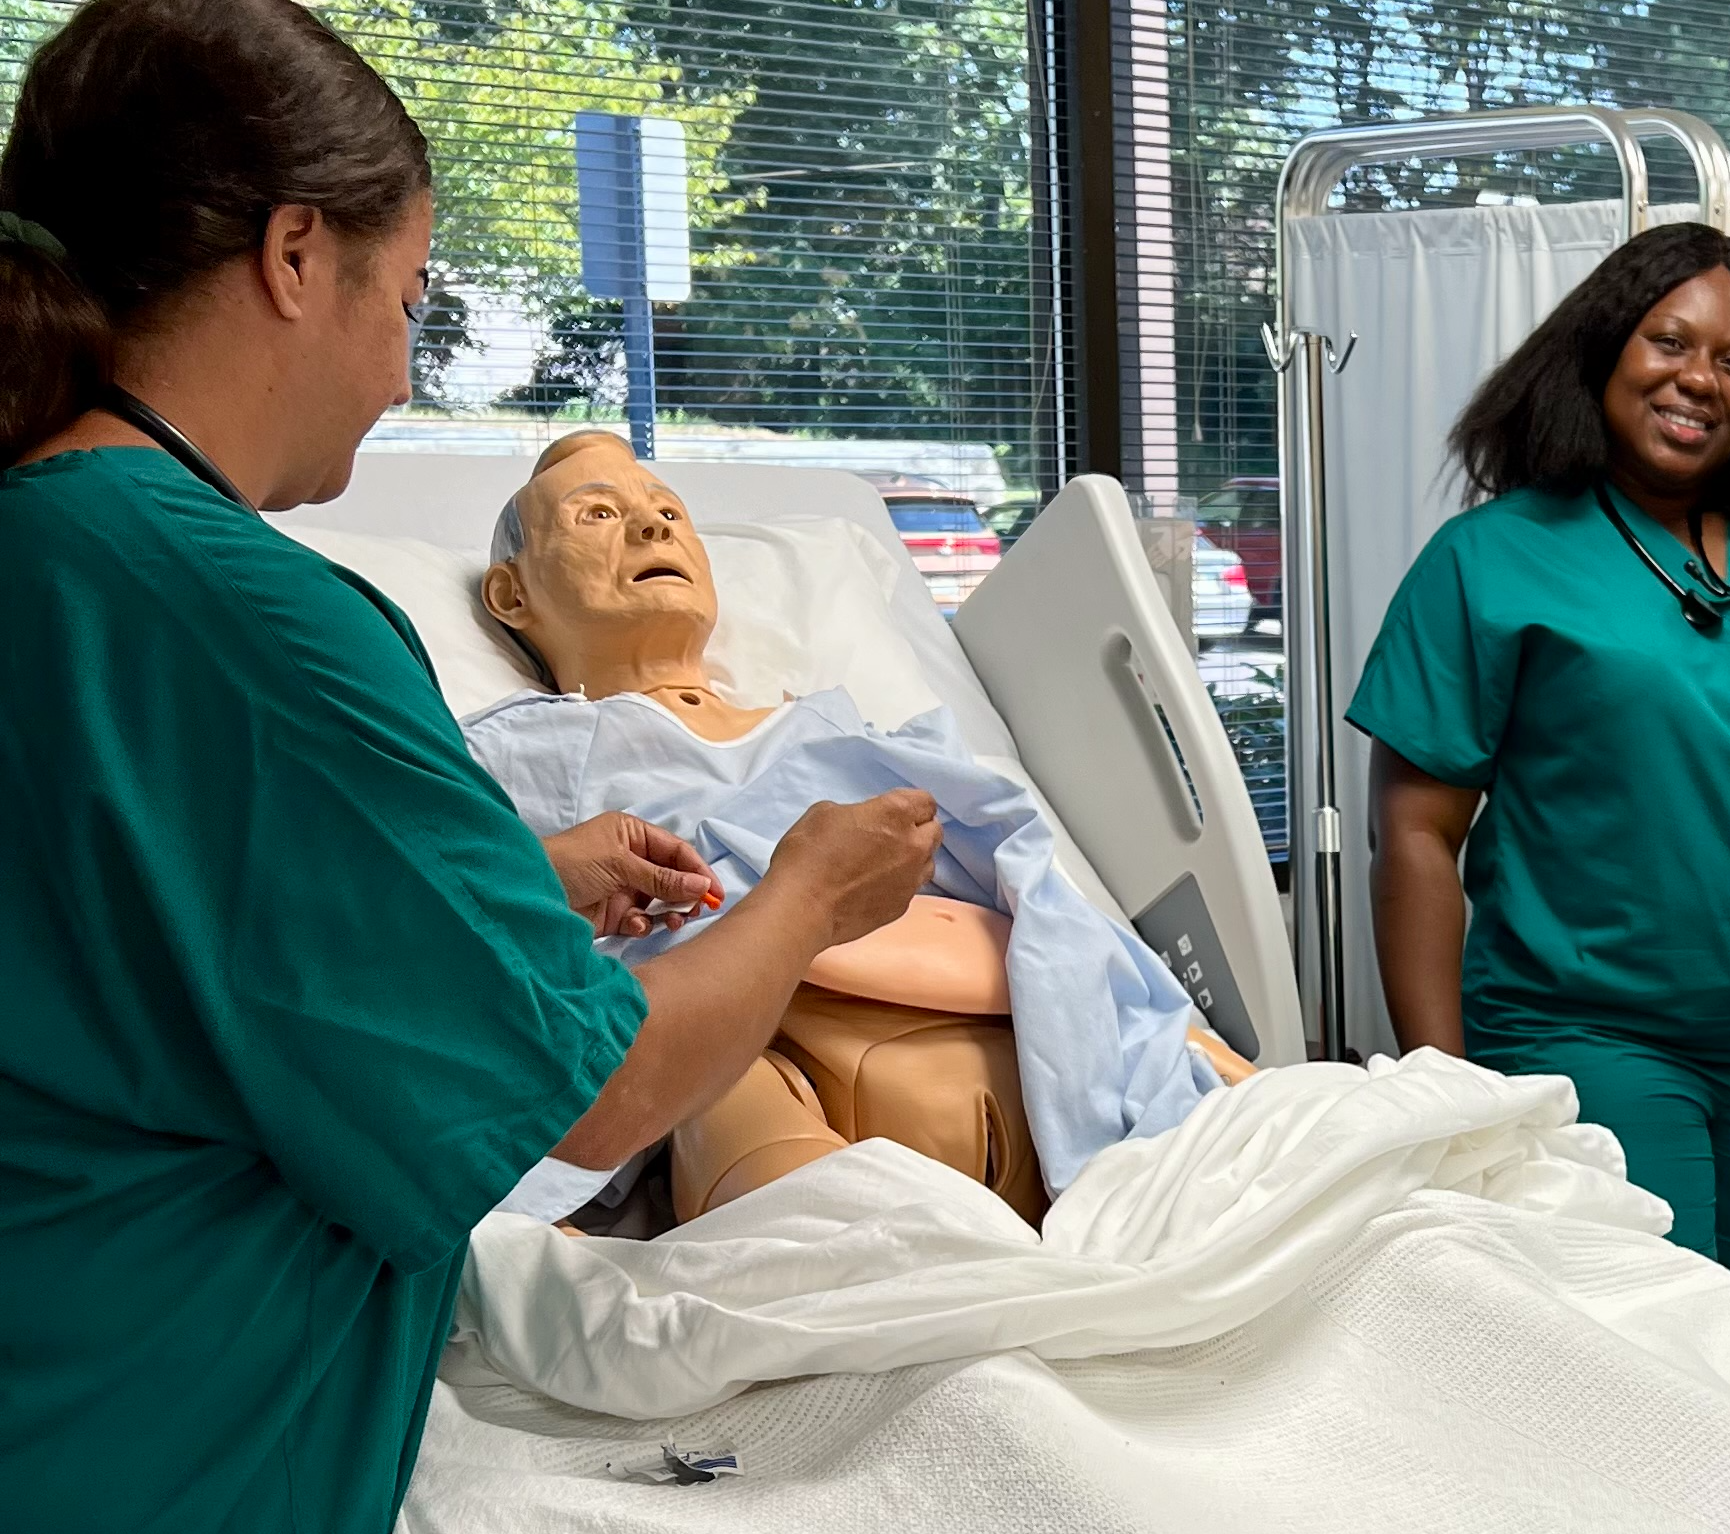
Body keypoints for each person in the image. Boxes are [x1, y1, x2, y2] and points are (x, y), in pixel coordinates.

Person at [0, 0, 942, 1534]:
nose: (408, 363)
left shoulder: (45, 557)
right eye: (409, 296)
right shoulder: (259, 625)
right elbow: (607, 1094)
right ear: (289, 258)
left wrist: (502, 899)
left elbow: (151, 931)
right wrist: (814, 891)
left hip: (68, 1498)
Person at [1351, 225, 1730, 1292]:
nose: (1698, 380)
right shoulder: (1493, 561)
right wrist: (1443, 1084)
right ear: (1604, 349)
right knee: (1661, 1335)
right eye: (1670, 342)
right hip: (1588, 1031)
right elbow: (1416, 835)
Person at [470, 430, 1234, 1223]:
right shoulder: (522, 747)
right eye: (596, 514)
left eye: (668, 511)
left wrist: (1188, 1042)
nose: (654, 528)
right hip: (764, 1064)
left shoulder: (854, 733)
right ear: (511, 595)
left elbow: (1037, 888)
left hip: (1045, 1060)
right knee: (759, 1147)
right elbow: (455, 926)